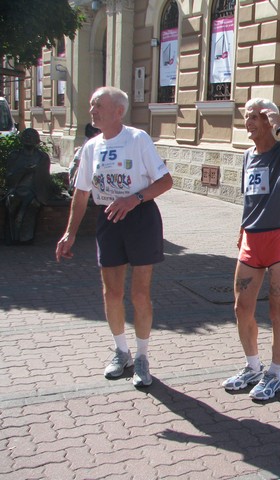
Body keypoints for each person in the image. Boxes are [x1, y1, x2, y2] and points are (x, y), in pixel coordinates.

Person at [55, 86, 173, 388]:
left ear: (118, 111)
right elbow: (82, 194)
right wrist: (69, 233)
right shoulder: (91, 146)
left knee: (140, 294)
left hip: (140, 218)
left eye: (98, 105)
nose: (92, 110)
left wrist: (135, 198)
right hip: (109, 219)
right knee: (111, 293)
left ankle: (142, 357)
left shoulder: (137, 139)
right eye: (92, 105)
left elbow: (165, 181)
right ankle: (122, 352)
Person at [221, 98, 280, 401]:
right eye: (248, 116)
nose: (250, 122)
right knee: (241, 308)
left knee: (277, 310)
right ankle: (253, 367)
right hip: (251, 238)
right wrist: (242, 229)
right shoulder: (247, 156)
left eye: (257, 116)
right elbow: (250, 198)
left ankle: (275, 373)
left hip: (278, 237)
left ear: (270, 120)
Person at [3, 128, 51, 244]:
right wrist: (23, 171)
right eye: (26, 137)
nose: (29, 139)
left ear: (37, 141)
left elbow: (45, 179)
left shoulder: (42, 157)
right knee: (12, 201)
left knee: (32, 205)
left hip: (34, 192)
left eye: (32, 137)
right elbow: (9, 177)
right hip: (16, 189)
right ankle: (13, 237)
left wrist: (39, 196)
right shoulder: (15, 156)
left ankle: (26, 238)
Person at [68, 123, 101, 193]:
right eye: (99, 132)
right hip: (78, 169)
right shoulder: (89, 143)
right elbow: (78, 161)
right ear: (96, 133)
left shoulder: (93, 141)